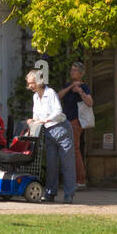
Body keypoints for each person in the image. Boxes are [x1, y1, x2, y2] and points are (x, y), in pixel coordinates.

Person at [26, 69, 76, 203]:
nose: (30, 86)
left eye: (32, 83)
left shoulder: (50, 93)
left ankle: (69, 194)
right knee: (51, 164)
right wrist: (33, 120)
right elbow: (36, 115)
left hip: (62, 129)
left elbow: (58, 111)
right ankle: (50, 193)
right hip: (48, 132)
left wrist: (47, 119)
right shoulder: (35, 96)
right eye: (29, 83)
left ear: (39, 82)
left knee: (67, 163)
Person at [58, 62, 92, 189]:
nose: (72, 72)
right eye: (71, 69)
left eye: (75, 70)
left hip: (76, 121)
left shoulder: (84, 86)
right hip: (65, 120)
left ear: (81, 73)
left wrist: (80, 92)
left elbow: (90, 102)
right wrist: (71, 87)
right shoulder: (68, 85)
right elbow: (58, 96)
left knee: (75, 149)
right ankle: (70, 178)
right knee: (67, 149)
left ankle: (80, 179)